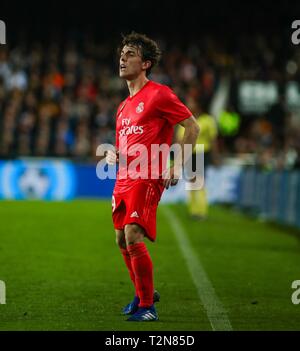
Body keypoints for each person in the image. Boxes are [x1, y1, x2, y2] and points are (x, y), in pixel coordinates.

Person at [105, 32, 200, 322]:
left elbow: (192, 127)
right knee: (121, 239)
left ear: (145, 63)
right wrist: (114, 155)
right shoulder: (122, 107)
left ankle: (148, 306)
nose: (122, 58)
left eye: (130, 54)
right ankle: (141, 292)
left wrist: (177, 165)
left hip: (148, 175)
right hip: (124, 177)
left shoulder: (160, 95)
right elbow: (127, 144)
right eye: (121, 53)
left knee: (133, 232)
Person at [176, 98, 218, 219]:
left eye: (192, 102)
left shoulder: (207, 120)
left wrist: (215, 155)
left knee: (198, 181)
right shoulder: (186, 120)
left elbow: (213, 139)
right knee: (191, 181)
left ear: (198, 106)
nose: (189, 104)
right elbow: (180, 140)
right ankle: (194, 210)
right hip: (189, 153)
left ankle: (201, 210)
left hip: (202, 152)